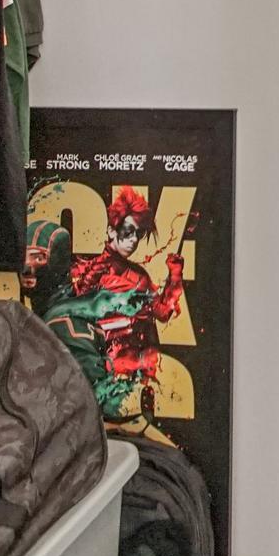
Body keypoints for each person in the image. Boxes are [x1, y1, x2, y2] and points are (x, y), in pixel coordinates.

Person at [43, 185, 184, 445]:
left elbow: (163, 312)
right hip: (87, 376)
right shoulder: (83, 271)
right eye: (127, 232)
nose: (133, 240)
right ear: (110, 231)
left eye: (138, 235)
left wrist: (175, 275)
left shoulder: (138, 277)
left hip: (125, 380)